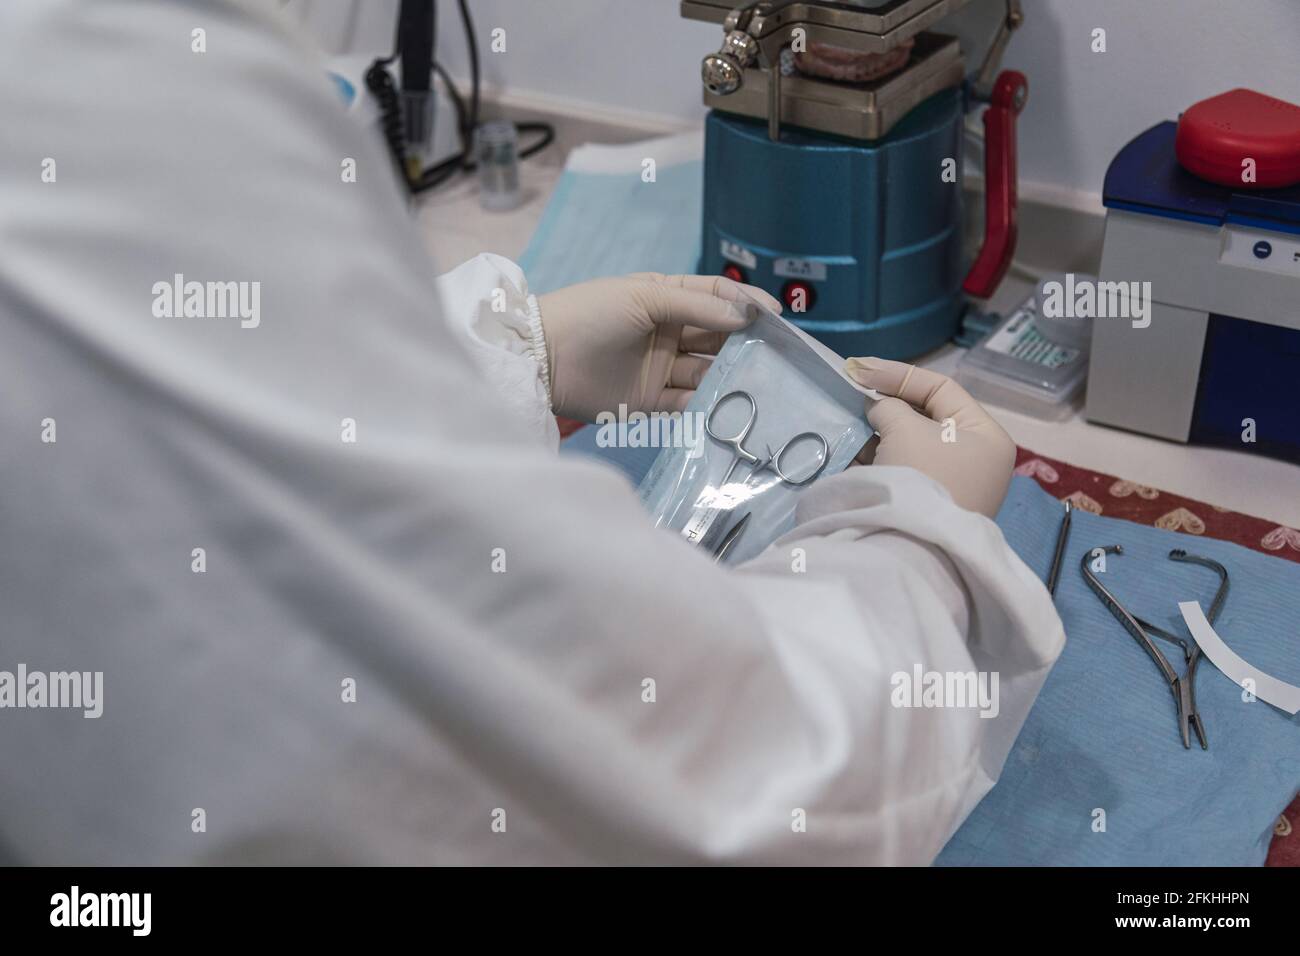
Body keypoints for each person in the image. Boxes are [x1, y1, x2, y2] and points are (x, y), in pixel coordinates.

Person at [0, 0, 1063, 864]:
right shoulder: (114, 94)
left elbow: (221, 424)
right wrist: (922, 543)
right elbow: (727, 797)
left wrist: (512, 352)